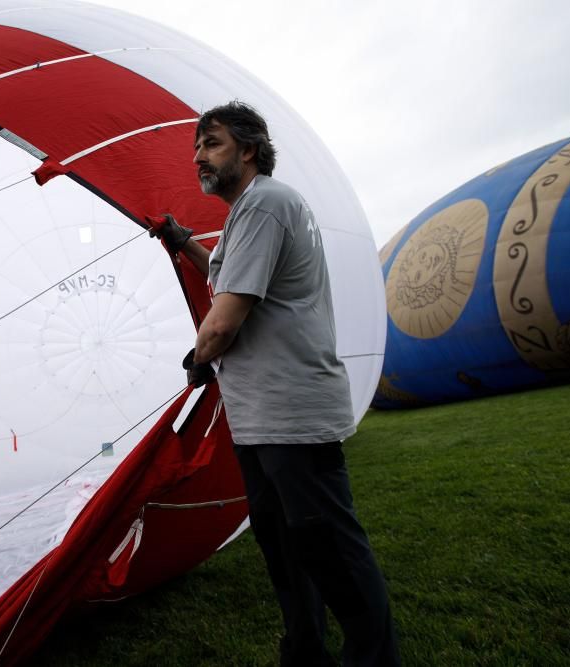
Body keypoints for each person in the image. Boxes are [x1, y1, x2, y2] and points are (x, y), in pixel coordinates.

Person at [150, 102, 400, 666]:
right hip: (262, 416)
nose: (198, 156)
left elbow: (226, 316)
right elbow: (227, 270)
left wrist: (197, 358)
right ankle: (305, 651)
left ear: (248, 149)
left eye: (211, 143)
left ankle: (373, 658)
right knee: (285, 547)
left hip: (292, 414)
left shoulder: (264, 204)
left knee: (330, 549)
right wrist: (185, 241)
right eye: (196, 146)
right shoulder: (252, 212)